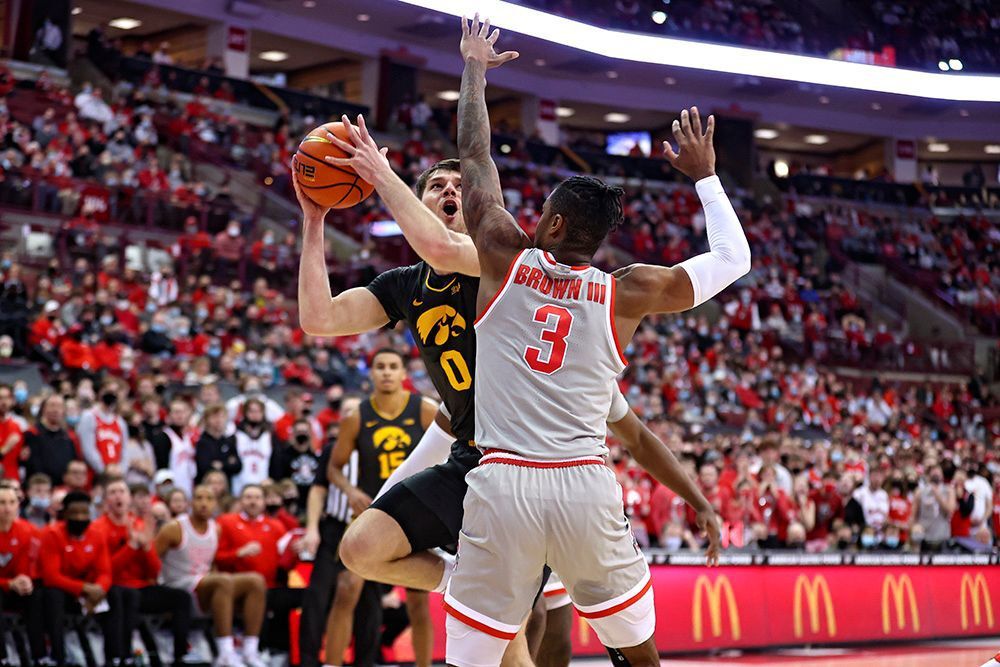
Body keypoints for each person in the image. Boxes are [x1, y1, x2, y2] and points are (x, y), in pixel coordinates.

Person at [303, 112, 720, 666]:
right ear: (421, 200)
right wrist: (313, 219)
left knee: (539, 620)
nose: (451, 192)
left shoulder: (501, 263)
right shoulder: (404, 286)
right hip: (471, 456)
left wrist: (382, 175)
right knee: (360, 548)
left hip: (532, 453)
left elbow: (442, 238)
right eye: (437, 186)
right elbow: (318, 318)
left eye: (458, 186)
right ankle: (456, 580)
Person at [442, 17, 746, 665]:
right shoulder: (628, 292)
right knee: (639, 655)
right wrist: (705, 175)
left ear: (549, 222)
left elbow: (474, 155)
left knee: (473, 658)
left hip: (503, 482)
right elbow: (733, 258)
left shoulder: (501, 251)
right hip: (584, 482)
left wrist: (473, 67)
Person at [326, 348, 437, 667]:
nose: (387, 372)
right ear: (371, 373)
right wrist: (350, 490)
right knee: (347, 589)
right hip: (371, 512)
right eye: (380, 367)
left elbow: (449, 453)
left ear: (404, 373)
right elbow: (334, 467)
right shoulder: (357, 416)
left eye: (393, 367)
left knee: (417, 601)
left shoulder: (424, 410)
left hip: (414, 511)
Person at [156, 485, 267, 667]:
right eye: (199, 498)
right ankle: (225, 652)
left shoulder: (216, 529)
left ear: (215, 503)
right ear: (191, 502)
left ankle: (250, 651)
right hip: (178, 587)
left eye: (208, 499)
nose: (203, 504)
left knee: (255, 581)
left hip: (206, 585)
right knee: (222, 580)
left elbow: (214, 563)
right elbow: (152, 558)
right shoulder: (174, 528)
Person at [92, 477, 193, 666]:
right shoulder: (98, 528)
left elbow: (154, 572)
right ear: (106, 500)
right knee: (124, 596)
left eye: (122, 492)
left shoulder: (140, 525)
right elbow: (106, 570)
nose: (118, 496)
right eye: (113, 492)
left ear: (129, 498)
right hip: (112, 588)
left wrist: (146, 548)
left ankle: (181, 655)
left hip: (140, 587)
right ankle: (120, 656)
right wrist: (131, 547)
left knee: (181, 598)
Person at [40, 489, 126, 666]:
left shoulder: (96, 535)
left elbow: (105, 572)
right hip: (65, 592)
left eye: (84, 513)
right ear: (65, 514)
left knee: (116, 593)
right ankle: (58, 656)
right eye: (75, 513)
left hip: (90, 593)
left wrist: (99, 590)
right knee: (51, 594)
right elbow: (51, 576)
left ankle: (115, 656)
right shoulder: (52, 534)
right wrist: (84, 589)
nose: (80, 518)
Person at [216, 484, 299, 656]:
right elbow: (216, 558)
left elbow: (285, 563)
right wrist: (238, 553)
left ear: (263, 502)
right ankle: (257, 650)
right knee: (259, 592)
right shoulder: (226, 522)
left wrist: (295, 552)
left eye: (257, 497)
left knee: (306, 596)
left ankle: (287, 652)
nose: (253, 502)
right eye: (248, 497)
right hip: (237, 586)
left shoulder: (276, 526)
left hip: (272, 585)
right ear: (241, 500)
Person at [0, 483, 44, 663]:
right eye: (2, 502)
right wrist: (8, 584)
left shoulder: (29, 530)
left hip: (17, 587)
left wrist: (25, 580)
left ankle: (40, 656)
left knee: (37, 595)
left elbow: (30, 565)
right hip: (2, 586)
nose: (7, 507)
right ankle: (2, 657)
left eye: (12, 502)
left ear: (18, 505)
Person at [77, 379, 129, 475]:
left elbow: (125, 451)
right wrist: (103, 470)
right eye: (108, 391)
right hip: (96, 473)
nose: (111, 395)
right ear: (100, 392)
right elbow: (87, 449)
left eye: (114, 392)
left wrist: (121, 470)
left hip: (116, 472)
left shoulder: (120, 422)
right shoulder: (89, 416)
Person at [24, 393, 78, 483]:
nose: (55, 410)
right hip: (39, 485)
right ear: (43, 409)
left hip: (62, 486)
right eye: (52, 405)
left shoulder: (69, 437)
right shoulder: (32, 433)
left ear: (64, 411)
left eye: (59, 406)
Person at [150, 396, 198, 496]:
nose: (180, 415)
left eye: (183, 412)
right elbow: (161, 468)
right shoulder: (164, 437)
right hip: (171, 491)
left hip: (188, 487)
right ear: (169, 415)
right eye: (176, 412)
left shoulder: (188, 437)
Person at [269, 417, 322, 502]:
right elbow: (277, 482)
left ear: (310, 434)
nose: (302, 435)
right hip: (290, 503)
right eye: (299, 432)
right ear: (293, 434)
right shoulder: (282, 456)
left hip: (311, 503)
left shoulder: (317, 457)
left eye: (305, 432)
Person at [232, 398, 273, 495]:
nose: (255, 414)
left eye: (258, 411)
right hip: (239, 487)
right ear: (245, 413)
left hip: (263, 487)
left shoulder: (269, 436)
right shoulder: (235, 435)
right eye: (251, 411)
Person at [195, 403, 242, 485]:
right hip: (206, 489)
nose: (219, 420)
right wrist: (228, 463)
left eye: (222, 416)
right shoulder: (201, 441)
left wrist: (221, 464)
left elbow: (238, 466)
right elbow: (204, 468)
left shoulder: (229, 441)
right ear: (206, 420)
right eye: (214, 417)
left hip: (226, 488)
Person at [0, 384, 25, 480]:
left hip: (13, 479)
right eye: (0, 398)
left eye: (7, 398)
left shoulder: (16, 426)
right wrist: (5, 448)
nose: (4, 402)